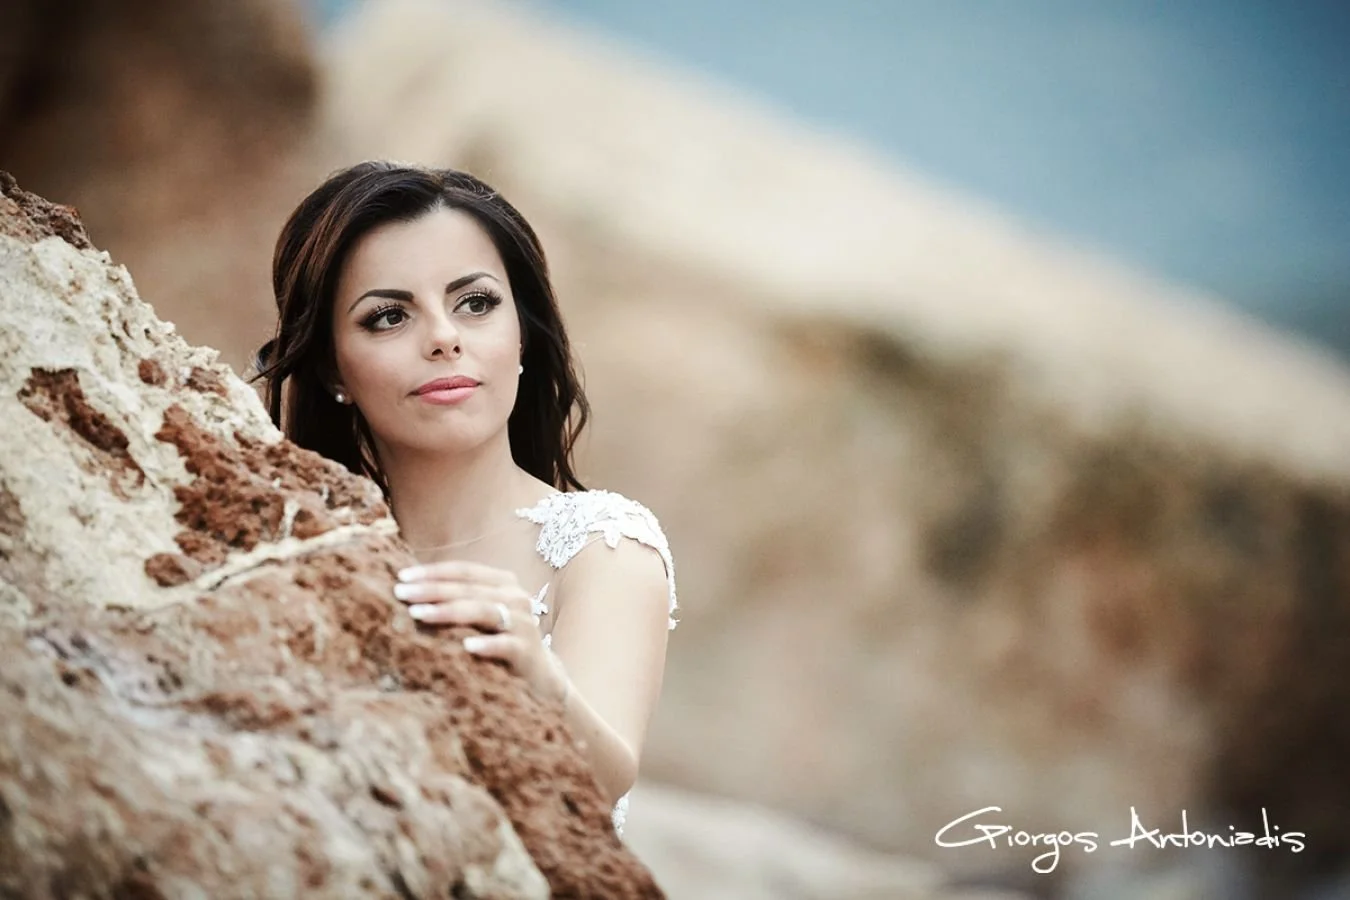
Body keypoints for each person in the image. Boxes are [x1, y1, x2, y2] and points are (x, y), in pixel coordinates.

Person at [251, 161, 678, 836]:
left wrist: (536, 676)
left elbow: (603, 782)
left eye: (475, 304)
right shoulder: (300, 545)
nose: (444, 337)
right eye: (389, 316)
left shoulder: (606, 547)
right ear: (333, 367)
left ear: (522, 333)